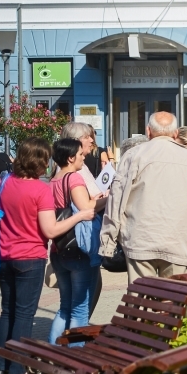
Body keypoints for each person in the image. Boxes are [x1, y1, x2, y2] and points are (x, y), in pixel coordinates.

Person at [0, 137, 95, 374]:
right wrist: (80, 215)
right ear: (40, 160)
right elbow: (50, 230)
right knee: (24, 315)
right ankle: (18, 371)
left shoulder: (7, 183)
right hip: (30, 256)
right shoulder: (39, 189)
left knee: (7, 311)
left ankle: (2, 367)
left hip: (5, 255)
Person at [100, 112, 187, 283]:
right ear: (175, 134)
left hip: (141, 240)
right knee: (174, 301)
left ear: (148, 131)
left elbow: (116, 201)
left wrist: (108, 243)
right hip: (181, 243)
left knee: (140, 302)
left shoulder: (133, 155)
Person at [47, 138, 107, 349]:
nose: (84, 157)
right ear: (71, 157)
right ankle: (75, 357)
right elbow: (87, 208)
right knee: (80, 310)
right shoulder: (73, 178)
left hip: (59, 248)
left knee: (65, 307)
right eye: (81, 155)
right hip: (79, 249)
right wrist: (108, 198)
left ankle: (53, 351)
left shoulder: (54, 179)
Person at [60, 122, 108, 315]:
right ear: (76, 140)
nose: (91, 140)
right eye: (87, 136)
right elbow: (85, 206)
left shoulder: (78, 167)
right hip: (80, 241)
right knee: (78, 306)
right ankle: (73, 341)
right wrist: (109, 197)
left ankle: (67, 339)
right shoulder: (74, 172)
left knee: (74, 303)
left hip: (73, 240)